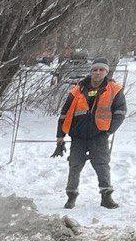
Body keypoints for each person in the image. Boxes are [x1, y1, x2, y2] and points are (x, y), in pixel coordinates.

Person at [53, 57, 127, 209]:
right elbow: (64, 114)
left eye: (101, 70)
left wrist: (108, 130)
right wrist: (60, 136)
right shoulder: (77, 90)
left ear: (106, 72)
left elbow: (120, 112)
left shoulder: (115, 89)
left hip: (99, 135)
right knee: (74, 165)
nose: (97, 72)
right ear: (91, 71)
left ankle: (106, 197)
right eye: (95, 69)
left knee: (102, 165)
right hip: (78, 136)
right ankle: (71, 196)